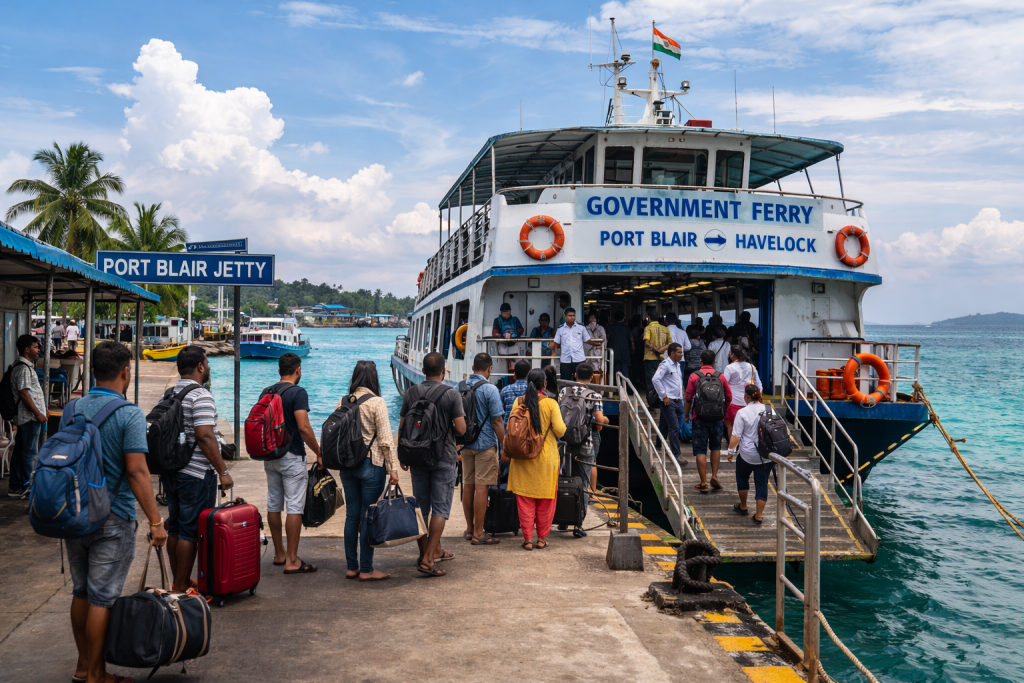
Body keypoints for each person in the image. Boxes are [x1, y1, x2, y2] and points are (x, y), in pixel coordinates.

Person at [64, 341, 167, 683]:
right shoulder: (129, 414)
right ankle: (97, 674)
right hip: (113, 516)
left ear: (92, 371)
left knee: (81, 591)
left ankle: (82, 666)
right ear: (126, 372)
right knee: (103, 597)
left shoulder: (72, 409)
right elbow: (137, 472)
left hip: (74, 513)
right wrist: (155, 520)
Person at [162, 346, 233, 593]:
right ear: (201, 367)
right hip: (195, 475)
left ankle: (177, 581)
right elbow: (205, 436)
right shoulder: (201, 395)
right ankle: (182, 587)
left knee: (177, 527)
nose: (209, 368)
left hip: (171, 471)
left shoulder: (169, 393)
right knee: (190, 532)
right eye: (207, 363)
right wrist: (223, 471)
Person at [398, 352, 466, 577]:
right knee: (441, 507)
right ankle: (429, 558)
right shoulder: (451, 394)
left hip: (416, 456)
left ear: (424, 370)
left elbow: (403, 426)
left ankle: (426, 552)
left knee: (421, 507)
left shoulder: (411, 392)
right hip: (444, 456)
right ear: (444, 371)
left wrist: (403, 455)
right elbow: (461, 428)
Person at [336, 360, 399, 581]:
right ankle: (366, 569)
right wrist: (392, 468)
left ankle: (352, 567)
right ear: (374, 378)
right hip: (371, 464)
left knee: (352, 517)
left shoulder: (343, 401)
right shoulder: (376, 402)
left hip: (347, 466)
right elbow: (385, 439)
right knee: (368, 515)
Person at [262, 352, 322, 575]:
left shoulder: (267, 391)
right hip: (292, 455)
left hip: (270, 455)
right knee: (295, 506)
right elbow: (304, 427)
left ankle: (279, 553)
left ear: (279, 371)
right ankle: (292, 560)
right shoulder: (298, 392)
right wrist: (318, 451)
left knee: (274, 503)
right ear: (298, 370)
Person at [504, 368, 566, 550]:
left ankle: (527, 539)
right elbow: (560, 430)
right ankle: (542, 538)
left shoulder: (518, 401)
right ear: (544, 384)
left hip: (522, 457)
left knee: (525, 500)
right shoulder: (551, 403)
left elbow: (512, 428)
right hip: (546, 458)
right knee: (546, 500)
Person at [459, 353, 506, 545]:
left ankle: (470, 529)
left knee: (468, 486)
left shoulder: (459, 387)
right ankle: (479, 532)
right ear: (489, 369)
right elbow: (497, 420)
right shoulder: (490, 389)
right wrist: (504, 445)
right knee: (481, 488)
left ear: (472, 368)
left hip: (465, 444)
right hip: (485, 444)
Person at [557, 363, 608, 536]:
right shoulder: (594, 395)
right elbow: (599, 423)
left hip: (565, 444)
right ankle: (578, 526)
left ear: (574, 374)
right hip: (585, 444)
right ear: (592, 377)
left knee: (564, 480)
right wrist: (606, 420)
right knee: (583, 484)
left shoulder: (564, 392)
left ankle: (563, 521)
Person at [683, 349, 733, 494]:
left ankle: (703, 482)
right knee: (715, 447)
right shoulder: (721, 377)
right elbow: (729, 397)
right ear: (714, 361)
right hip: (717, 418)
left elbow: (688, 398)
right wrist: (723, 413)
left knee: (700, 450)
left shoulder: (694, 376)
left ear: (700, 361)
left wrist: (686, 415)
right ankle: (715, 476)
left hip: (699, 417)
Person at [726, 384, 774, 524]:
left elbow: (736, 436)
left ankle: (743, 506)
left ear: (746, 396)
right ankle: (758, 516)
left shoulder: (742, 412)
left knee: (742, 476)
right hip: (766, 455)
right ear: (759, 396)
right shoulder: (770, 410)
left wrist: (730, 452)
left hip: (747, 454)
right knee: (762, 483)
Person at [8, 335, 47, 498]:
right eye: (36, 347)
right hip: (29, 417)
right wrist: (38, 413)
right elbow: (24, 394)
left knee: (20, 452)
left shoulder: (23, 366)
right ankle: (26, 487)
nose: (38, 350)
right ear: (27, 349)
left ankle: (16, 486)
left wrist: (44, 409)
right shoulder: (23, 368)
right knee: (29, 454)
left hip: (27, 417)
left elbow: (31, 393)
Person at [652, 343, 686, 464]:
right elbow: (655, 379)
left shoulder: (677, 365)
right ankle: (676, 455)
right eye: (680, 352)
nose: (682, 354)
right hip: (669, 400)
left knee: (665, 423)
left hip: (678, 399)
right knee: (674, 428)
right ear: (672, 353)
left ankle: (658, 443)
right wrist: (664, 396)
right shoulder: (665, 365)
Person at [548, 307, 602, 381]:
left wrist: (597, 344)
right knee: (565, 382)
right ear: (565, 317)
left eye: (573, 315)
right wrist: (554, 351)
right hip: (565, 360)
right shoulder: (560, 329)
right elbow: (556, 342)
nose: (572, 317)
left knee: (580, 381)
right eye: (570, 315)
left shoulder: (581, 327)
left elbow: (587, 340)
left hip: (579, 359)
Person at [723, 345, 763, 437]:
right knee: (747, 428)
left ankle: (733, 449)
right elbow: (759, 385)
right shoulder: (751, 367)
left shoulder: (729, 368)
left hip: (733, 402)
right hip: (748, 402)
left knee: (731, 427)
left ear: (733, 355)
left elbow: (724, 384)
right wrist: (757, 396)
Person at [492, 303, 525, 373]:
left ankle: (512, 370)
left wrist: (514, 334)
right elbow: (494, 333)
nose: (506, 314)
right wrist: (501, 335)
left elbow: (521, 330)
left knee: (514, 361)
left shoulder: (515, 320)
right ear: (501, 313)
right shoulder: (497, 320)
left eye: (507, 312)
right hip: (502, 343)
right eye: (504, 312)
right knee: (503, 354)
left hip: (513, 343)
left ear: (510, 312)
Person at [643, 315, 671, 389]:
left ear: (649, 318)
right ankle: (660, 398)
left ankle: (651, 398)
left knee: (650, 381)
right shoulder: (665, 329)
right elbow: (670, 344)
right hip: (662, 358)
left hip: (650, 358)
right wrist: (661, 350)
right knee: (661, 380)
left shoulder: (648, 328)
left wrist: (654, 348)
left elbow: (646, 343)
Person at [501, 360, 531, 427]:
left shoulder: (505, 391)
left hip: (509, 432)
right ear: (529, 374)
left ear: (514, 374)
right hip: (529, 433)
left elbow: (500, 414)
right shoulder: (533, 391)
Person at [605, 310, 633, 382]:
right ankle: (625, 389)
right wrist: (633, 348)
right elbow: (631, 340)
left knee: (614, 372)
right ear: (623, 318)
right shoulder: (626, 327)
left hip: (614, 353)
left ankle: (616, 388)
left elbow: (606, 338)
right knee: (624, 374)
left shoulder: (610, 327)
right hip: (625, 352)